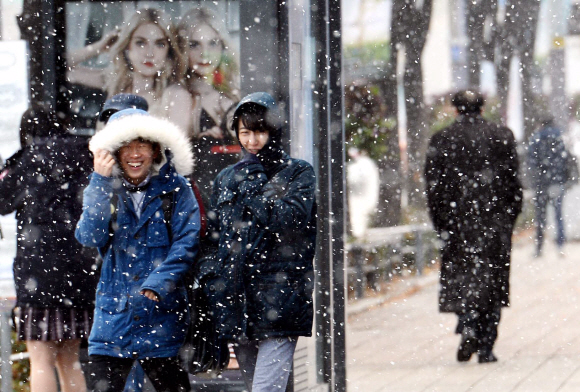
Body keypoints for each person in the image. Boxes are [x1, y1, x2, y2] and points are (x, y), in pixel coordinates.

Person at [75, 108, 199, 392]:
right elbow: (88, 235)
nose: (134, 154)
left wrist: (158, 283)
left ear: (155, 150)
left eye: (141, 145)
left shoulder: (177, 189)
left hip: (163, 319)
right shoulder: (104, 187)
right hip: (112, 321)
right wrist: (99, 181)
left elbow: (187, 243)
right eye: (126, 147)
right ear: (115, 153)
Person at [205, 92, 316, 391]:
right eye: (245, 132)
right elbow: (214, 237)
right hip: (238, 302)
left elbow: (291, 222)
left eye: (259, 132)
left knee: (265, 388)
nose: (252, 141)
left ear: (273, 131)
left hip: (281, 301)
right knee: (263, 385)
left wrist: (256, 187)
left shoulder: (298, 172)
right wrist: (210, 275)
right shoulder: (227, 177)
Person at [0, 106, 99, 392]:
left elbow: (3, 202)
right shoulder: (84, 154)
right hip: (79, 276)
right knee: (70, 361)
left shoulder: (27, 159)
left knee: (41, 361)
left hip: (38, 278)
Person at [424, 90, 523, 363]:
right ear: (482, 107)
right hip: (493, 222)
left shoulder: (442, 139)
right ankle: (487, 344)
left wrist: (442, 223)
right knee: (492, 282)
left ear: (455, 109)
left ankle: (467, 324)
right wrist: (507, 220)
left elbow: (433, 189)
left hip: (458, 224)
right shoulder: (502, 136)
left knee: (463, 278)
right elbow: (514, 185)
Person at [67, 8, 192, 132]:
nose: (150, 53)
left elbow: (175, 149)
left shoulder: (175, 96)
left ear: (168, 51)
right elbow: (57, 67)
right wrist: (98, 47)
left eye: (160, 44)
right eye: (141, 43)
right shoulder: (114, 82)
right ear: (127, 47)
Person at [177, 7, 241, 206]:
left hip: (232, 203)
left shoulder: (232, 93)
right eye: (194, 44)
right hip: (195, 206)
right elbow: (173, 160)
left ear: (223, 47)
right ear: (182, 48)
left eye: (213, 43)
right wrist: (199, 142)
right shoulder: (177, 95)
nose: (204, 53)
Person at [527, 116, 569, 257]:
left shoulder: (537, 137)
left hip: (541, 182)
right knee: (558, 215)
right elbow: (565, 159)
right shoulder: (559, 137)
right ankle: (560, 246)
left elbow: (531, 160)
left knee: (540, 216)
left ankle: (539, 248)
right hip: (557, 181)